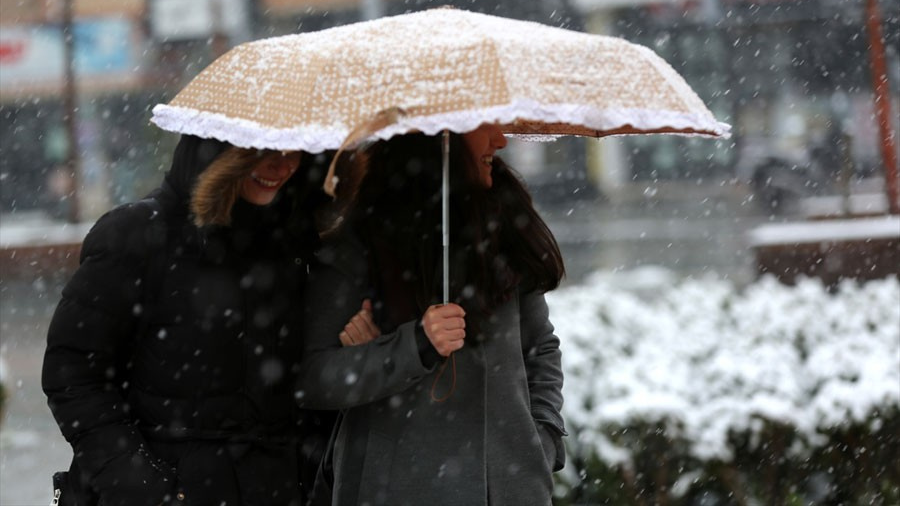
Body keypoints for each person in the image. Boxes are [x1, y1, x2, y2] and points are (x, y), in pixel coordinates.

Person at [42, 135, 374, 506]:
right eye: (264, 151)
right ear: (218, 151)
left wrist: (349, 352)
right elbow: (73, 373)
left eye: (292, 149)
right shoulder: (138, 235)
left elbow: (301, 388)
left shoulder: (295, 244)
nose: (282, 166)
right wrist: (145, 489)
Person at [296, 123, 567, 506]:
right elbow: (315, 378)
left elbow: (540, 347)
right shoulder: (360, 245)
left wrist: (542, 438)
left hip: (507, 488)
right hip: (392, 489)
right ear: (443, 135)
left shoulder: (506, 227)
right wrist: (415, 345)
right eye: (485, 126)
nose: (501, 140)